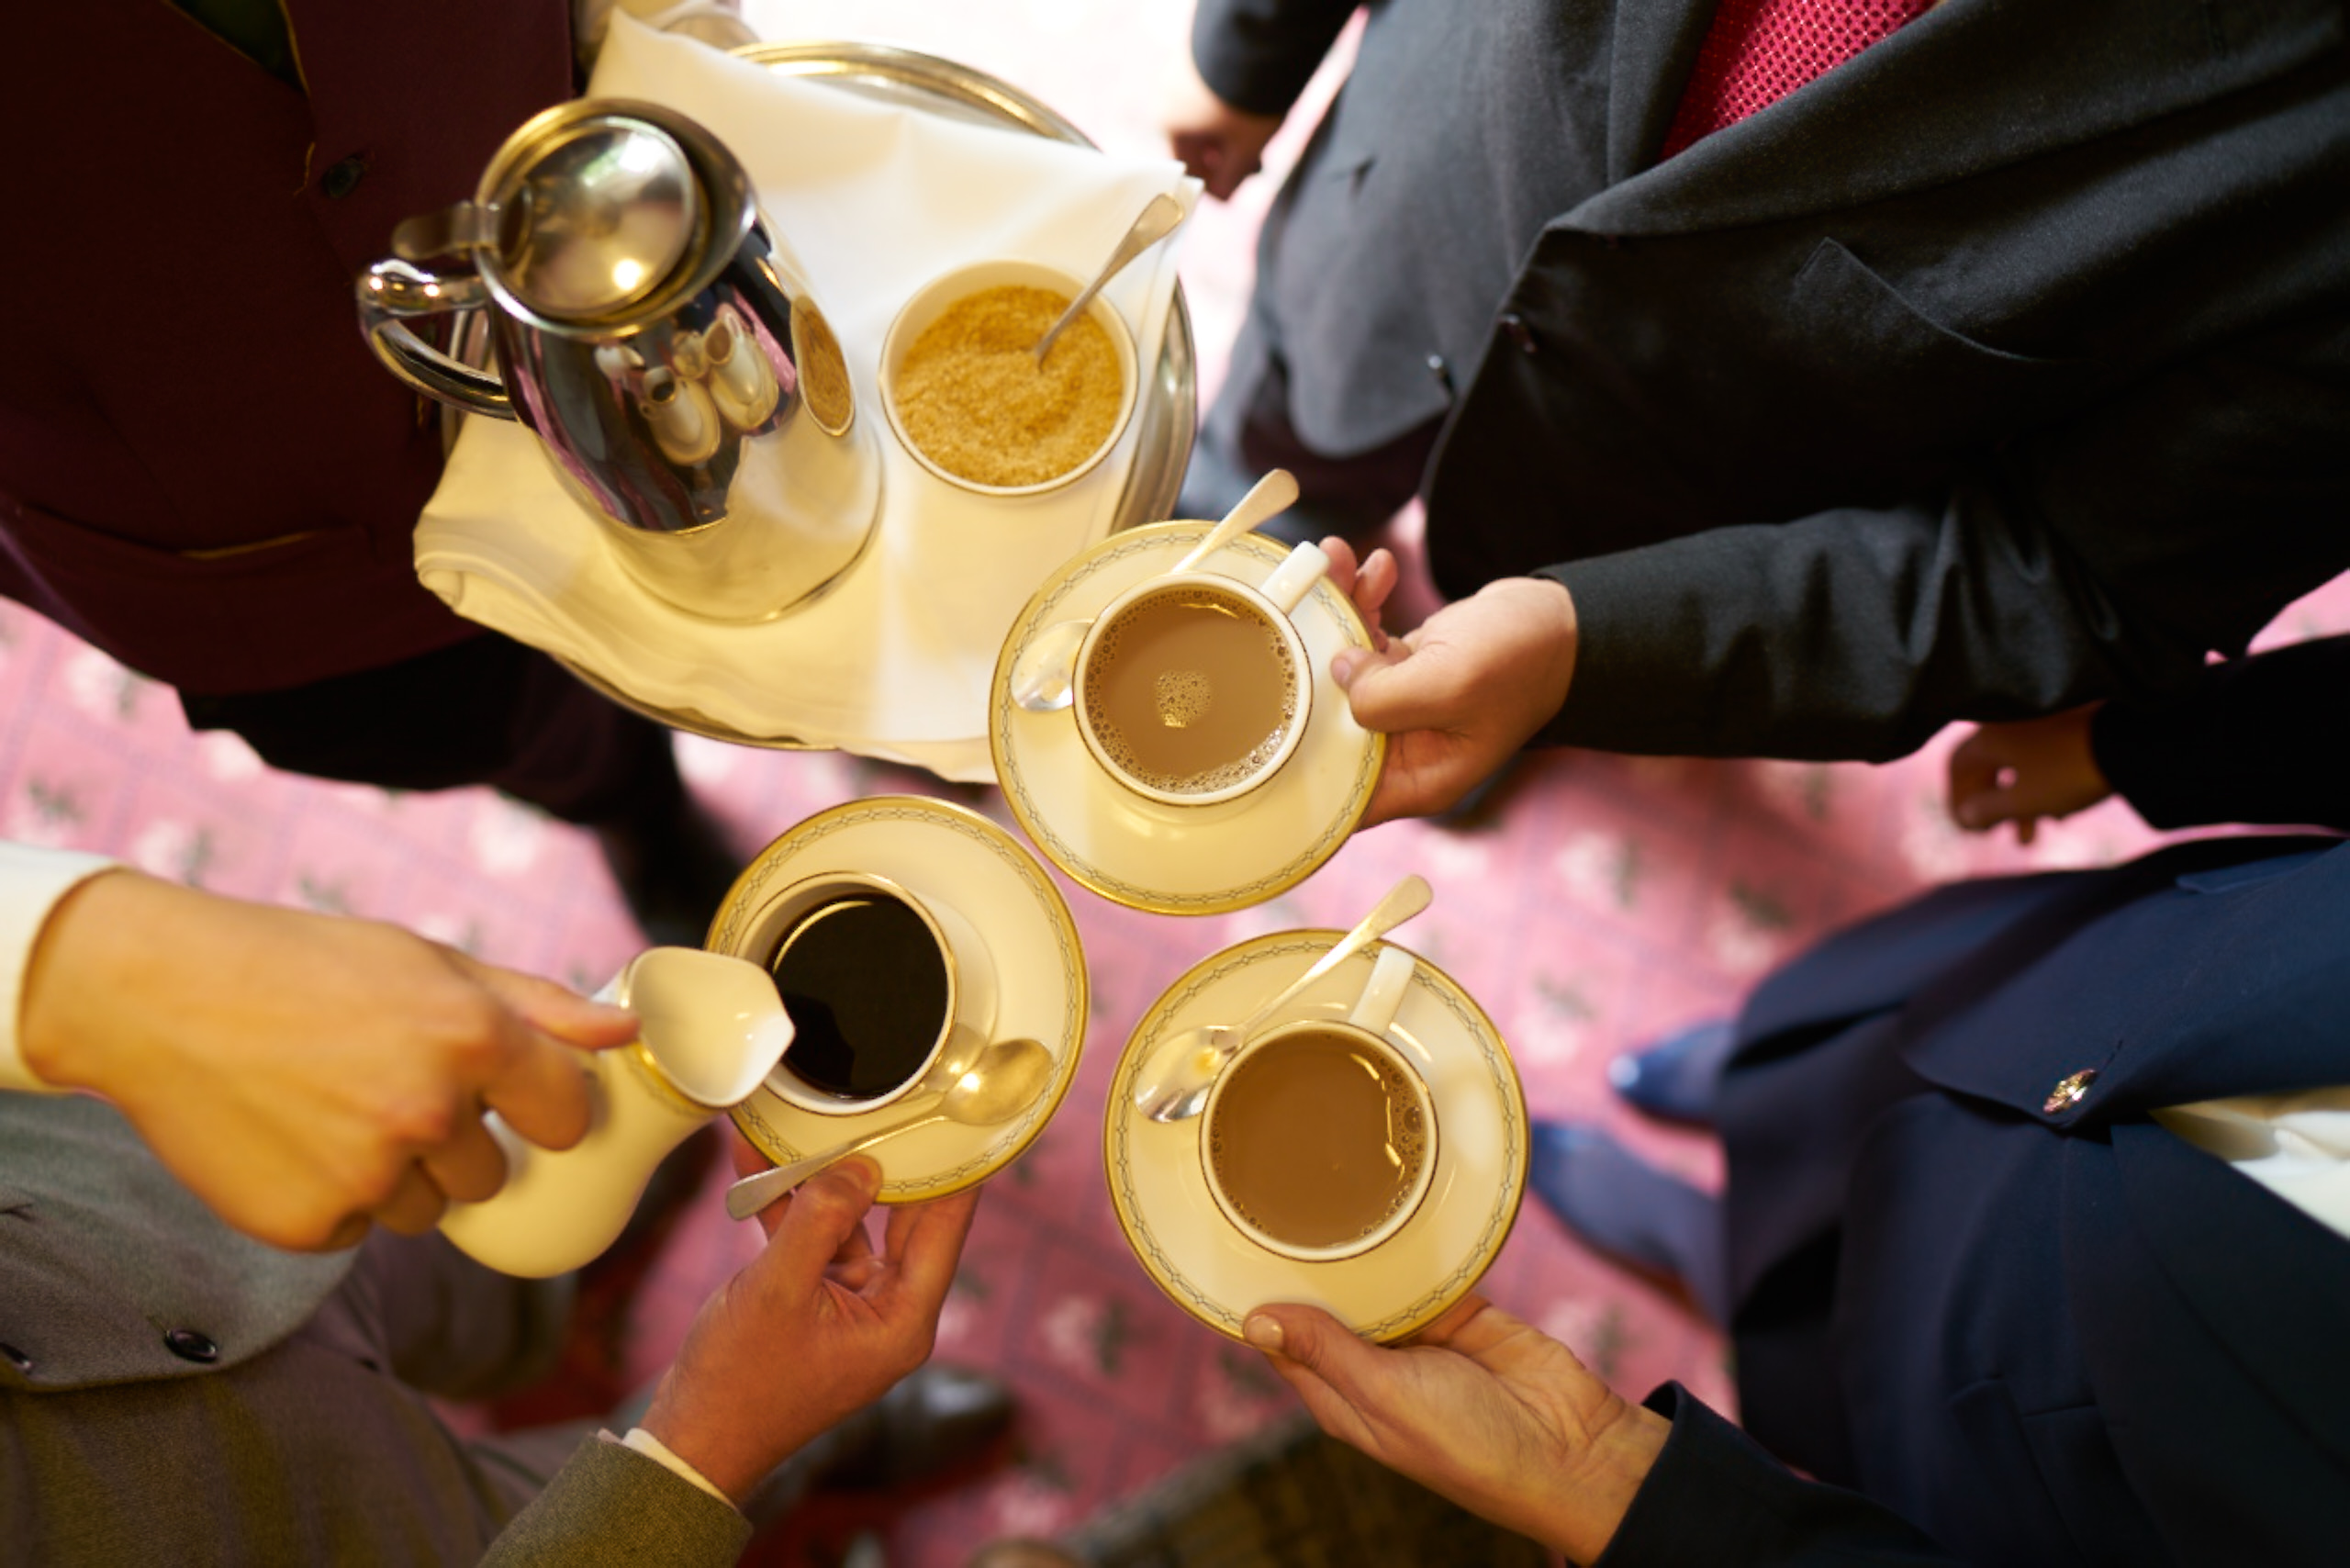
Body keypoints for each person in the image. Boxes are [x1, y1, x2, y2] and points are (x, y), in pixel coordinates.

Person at [1220, 633, 2350, 1563]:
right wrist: (2146, 745)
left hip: (2036, 1414)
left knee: (1822, 1328)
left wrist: (1612, 1487)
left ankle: (1701, 1247)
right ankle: (1761, 1087)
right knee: (1869, 1042)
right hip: (2149, 985)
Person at [1169, 0, 2350, 825]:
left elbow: (2074, 574)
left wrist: (1594, 649)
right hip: (1394, 212)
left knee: (1454, 690)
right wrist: (1250, 49)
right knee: (1260, 465)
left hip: (1657, 532)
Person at [0, 841, 1009, 1563]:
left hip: (133, 1200)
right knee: (608, 1474)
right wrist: (706, 1457)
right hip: (343, 1535)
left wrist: (92, 966)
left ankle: (557, 1281)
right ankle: (811, 1436)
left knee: (465, 1217)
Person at [0, 1, 761, 946]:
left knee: (781, 527)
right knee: (523, 732)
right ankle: (638, 812)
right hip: (259, 558)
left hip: (596, 255)